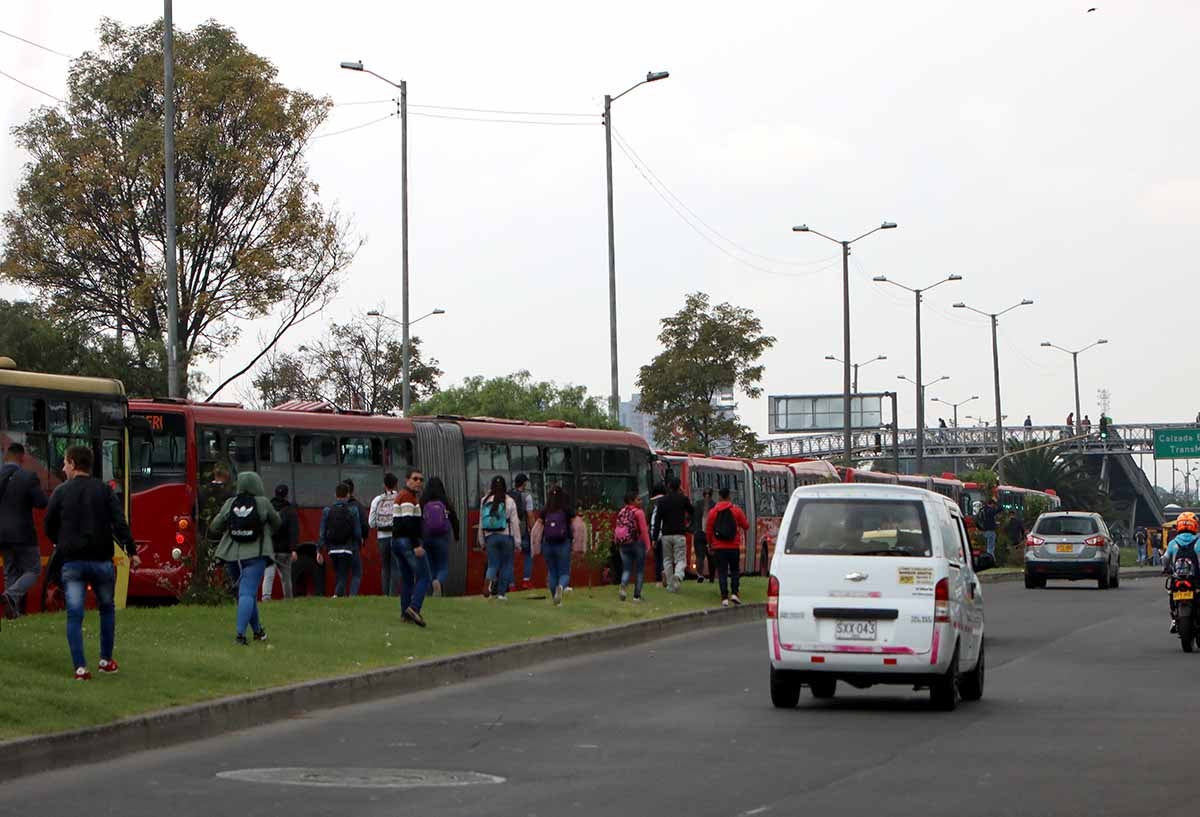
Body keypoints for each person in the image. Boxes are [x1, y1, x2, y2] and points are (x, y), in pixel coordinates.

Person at [44, 445, 138, 679]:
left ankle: (80, 668)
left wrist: (61, 541)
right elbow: (119, 521)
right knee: (106, 608)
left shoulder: (61, 492)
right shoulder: (104, 490)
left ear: (73, 464)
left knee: (74, 614)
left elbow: (49, 524)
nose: (63, 468)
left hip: (72, 562)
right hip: (101, 560)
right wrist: (131, 550)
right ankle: (105, 660)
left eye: (65, 463)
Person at [210, 470, 281, 645]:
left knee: (245, 594)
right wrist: (266, 531)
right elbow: (277, 523)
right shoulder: (263, 503)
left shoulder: (230, 503)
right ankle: (240, 636)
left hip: (232, 555)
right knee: (248, 593)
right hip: (255, 554)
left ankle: (258, 632)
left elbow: (215, 526)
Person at [0, 442, 48, 619]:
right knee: (34, 569)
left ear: (6, 457)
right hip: (23, 534)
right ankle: (11, 595)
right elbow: (41, 502)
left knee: (10, 571)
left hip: (2, 536)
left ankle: (13, 613)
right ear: (21, 457)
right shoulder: (28, 477)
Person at [392, 467, 429, 625]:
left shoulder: (403, 495)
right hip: (407, 542)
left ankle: (405, 615)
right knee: (424, 576)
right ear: (407, 480)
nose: (418, 482)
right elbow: (408, 522)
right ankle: (414, 608)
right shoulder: (408, 497)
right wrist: (416, 545)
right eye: (415, 479)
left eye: (421, 479)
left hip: (397, 542)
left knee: (407, 579)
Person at [479, 475, 521, 600]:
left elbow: (481, 522)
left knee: (492, 565)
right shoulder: (510, 501)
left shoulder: (484, 500)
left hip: (490, 537)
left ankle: (488, 582)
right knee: (506, 565)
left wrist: (481, 541)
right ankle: (501, 594)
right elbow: (515, 523)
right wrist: (517, 542)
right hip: (506, 537)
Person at [706, 487, 750, 607]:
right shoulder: (736, 510)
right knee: (735, 570)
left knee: (722, 572)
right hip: (733, 546)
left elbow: (709, 531)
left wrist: (710, 545)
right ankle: (735, 593)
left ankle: (724, 597)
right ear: (729, 496)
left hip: (718, 547)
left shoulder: (713, 512)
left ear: (719, 497)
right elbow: (746, 526)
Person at [320, 482, 363, 597]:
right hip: (347, 548)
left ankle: (340, 598)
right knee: (349, 574)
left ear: (335, 494)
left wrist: (320, 549)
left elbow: (322, 533)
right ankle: (338, 595)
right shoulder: (353, 510)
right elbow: (357, 532)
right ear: (348, 495)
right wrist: (358, 543)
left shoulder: (327, 510)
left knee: (339, 574)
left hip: (332, 549)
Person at [652, 477, 693, 593]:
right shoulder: (683, 499)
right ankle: (678, 575)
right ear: (679, 487)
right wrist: (684, 495)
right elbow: (692, 511)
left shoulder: (662, 501)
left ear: (668, 487)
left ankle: (671, 585)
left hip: (665, 535)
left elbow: (657, 520)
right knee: (680, 559)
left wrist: (654, 538)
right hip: (679, 533)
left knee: (667, 560)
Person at [420, 475, 459, 597]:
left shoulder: (422, 501)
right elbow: (454, 519)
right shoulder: (445, 501)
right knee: (443, 566)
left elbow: (418, 520)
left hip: (426, 537)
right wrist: (456, 536)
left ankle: (433, 590)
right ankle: (438, 581)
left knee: (430, 566)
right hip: (442, 537)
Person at [261, 483, 299, 600]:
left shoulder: (268, 508)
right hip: (284, 550)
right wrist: (293, 549)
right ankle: (288, 598)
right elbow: (293, 531)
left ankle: (266, 597)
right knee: (286, 577)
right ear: (286, 495)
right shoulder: (290, 510)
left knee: (269, 575)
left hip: (270, 548)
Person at [539, 484, 574, 605]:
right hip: (563, 543)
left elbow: (538, 528)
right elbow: (575, 525)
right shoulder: (567, 509)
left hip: (547, 544)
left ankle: (556, 600)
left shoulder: (545, 510)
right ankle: (561, 586)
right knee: (564, 572)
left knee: (552, 572)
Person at [1164, 512, 1200, 632]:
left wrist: (1166, 568)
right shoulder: (1198, 541)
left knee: (1172, 592)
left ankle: (1174, 619)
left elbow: (1165, 559)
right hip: (1196, 578)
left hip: (1178, 578)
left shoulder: (1173, 543)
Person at [614, 491, 652, 602]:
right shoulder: (639, 513)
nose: (641, 501)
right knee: (639, 570)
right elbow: (644, 530)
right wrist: (648, 546)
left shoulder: (622, 511)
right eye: (638, 499)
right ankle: (636, 596)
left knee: (626, 568)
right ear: (631, 501)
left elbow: (618, 527)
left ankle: (623, 585)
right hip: (637, 543)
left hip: (623, 544)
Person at [369, 473, 400, 596]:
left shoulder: (377, 500)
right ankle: (393, 595)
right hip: (397, 536)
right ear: (396, 484)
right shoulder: (400, 498)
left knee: (385, 567)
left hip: (382, 537)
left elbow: (371, 523)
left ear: (384, 485)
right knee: (395, 567)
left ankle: (385, 595)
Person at [343, 478, 369, 595]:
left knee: (342, 574)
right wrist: (363, 538)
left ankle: (341, 596)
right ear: (352, 491)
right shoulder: (357, 506)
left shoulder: (335, 507)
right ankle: (352, 596)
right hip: (353, 544)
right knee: (356, 573)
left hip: (338, 545)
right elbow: (364, 525)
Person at [510, 473, 534, 590]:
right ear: (524, 483)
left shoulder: (508, 495)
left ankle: (511, 584)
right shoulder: (527, 497)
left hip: (510, 530)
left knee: (509, 558)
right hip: (523, 530)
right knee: (528, 554)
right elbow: (530, 515)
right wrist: (532, 529)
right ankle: (526, 580)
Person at [692, 488, 714, 583]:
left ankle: (700, 574)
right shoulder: (714, 505)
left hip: (699, 533)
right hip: (710, 534)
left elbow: (691, 517)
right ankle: (711, 577)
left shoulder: (697, 504)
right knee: (711, 557)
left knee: (699, 556)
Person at [648, 483, 666, 586]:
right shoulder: (667, 500)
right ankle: (665, 573)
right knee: (665, 556)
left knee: (657, 557)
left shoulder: (651, 503)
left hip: (653, 532)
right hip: (665, 531)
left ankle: (658, 579)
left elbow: (648, 518)